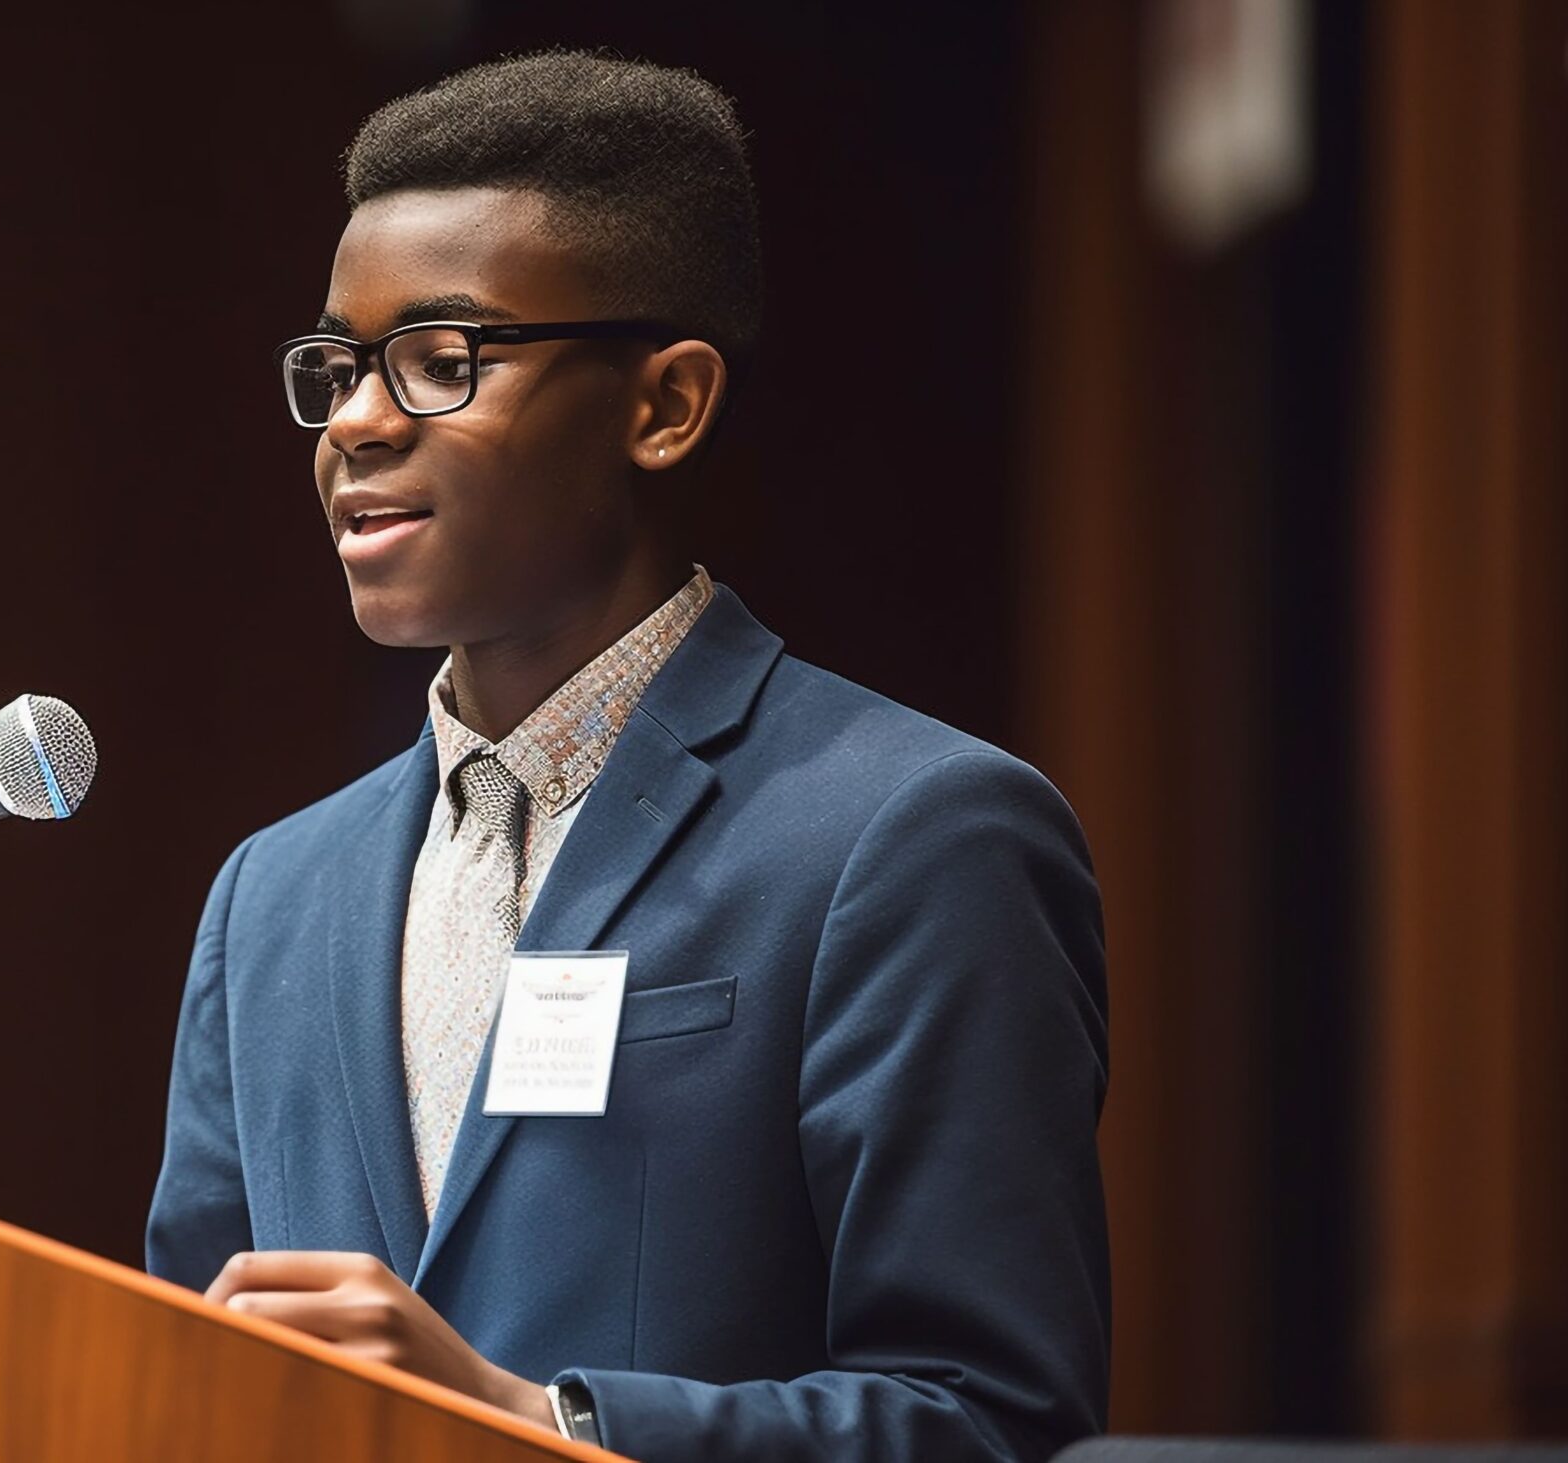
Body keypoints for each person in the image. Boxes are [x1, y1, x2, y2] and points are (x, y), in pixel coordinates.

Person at [144, 50, 1108, 1463]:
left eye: (439, 358)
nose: (355, 421)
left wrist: (534, 1423)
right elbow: (179, 1380)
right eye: (339, 366)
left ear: (664, 405)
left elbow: (991, 1420)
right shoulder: (269, 895)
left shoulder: (914, 835)